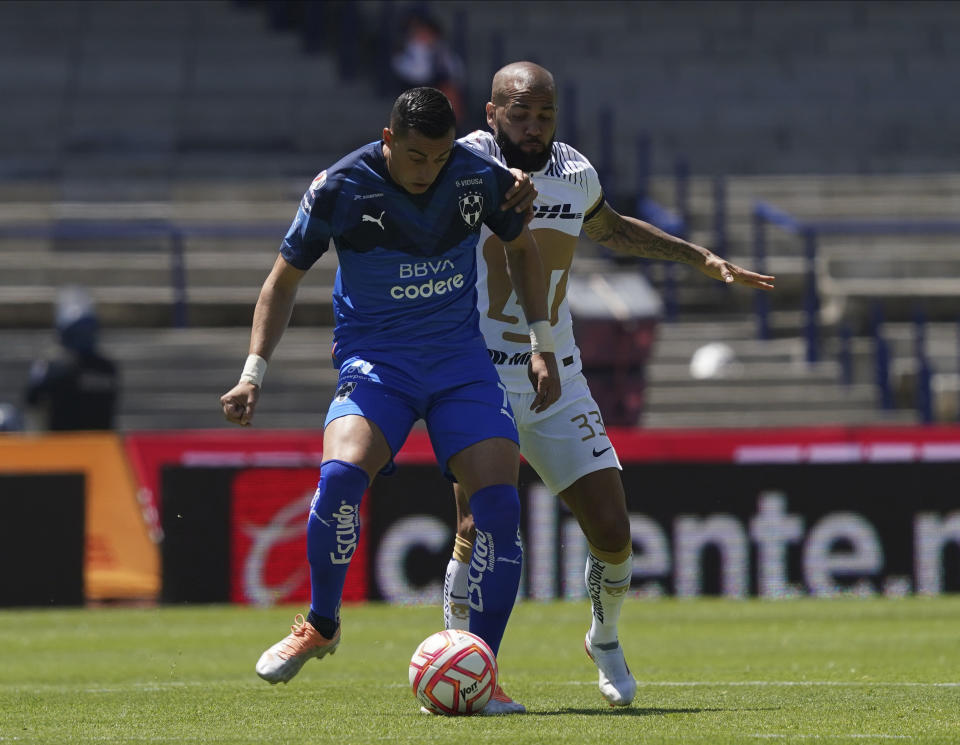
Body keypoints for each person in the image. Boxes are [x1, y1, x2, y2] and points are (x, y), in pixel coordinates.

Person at [440, 62, 776, 710]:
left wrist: (696, 256)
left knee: (614, 531)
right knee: (477, 524)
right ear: (490, 112)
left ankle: (604, 635)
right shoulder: (460, 168)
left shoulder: (574, 172)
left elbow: (612, 227)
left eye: (545, 114)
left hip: (557, 375)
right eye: (519, 113)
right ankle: (467, 659)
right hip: (478, 374)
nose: (533, 126)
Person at [219, 87, 560, 715]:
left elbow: (522, 248)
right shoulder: (340, 188)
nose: (426, 171)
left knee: (501, 508)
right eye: (413, 157)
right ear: (387, 140)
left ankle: (479, 672)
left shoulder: (478, 178)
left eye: (437, 158)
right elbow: (282, 281)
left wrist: (541, 342)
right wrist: (252, 374)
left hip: (460, 363)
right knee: (341, 477)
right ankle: (322, 624)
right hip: (378, 365)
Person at [24, 285, 120, 431]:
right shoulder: (52, 367)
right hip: (72, 445)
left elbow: (32, 399)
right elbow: (33, 399)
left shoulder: (53, 367)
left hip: (87, 446)